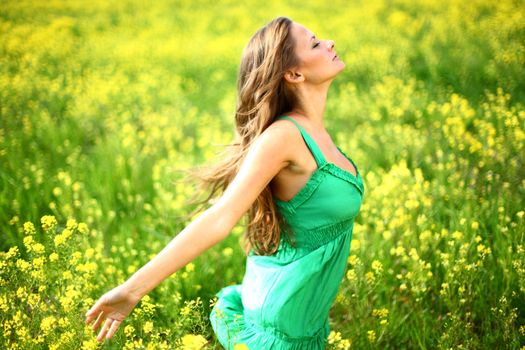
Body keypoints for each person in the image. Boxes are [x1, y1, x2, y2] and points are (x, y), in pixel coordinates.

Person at [84, 16, 364, 350]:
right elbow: (219, 218)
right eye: (316, 43)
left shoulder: (314, 131)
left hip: (305, 314)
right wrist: (132, 290)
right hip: (283, 325)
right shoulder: (284, 137)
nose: (330, 42)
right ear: (293, 73)